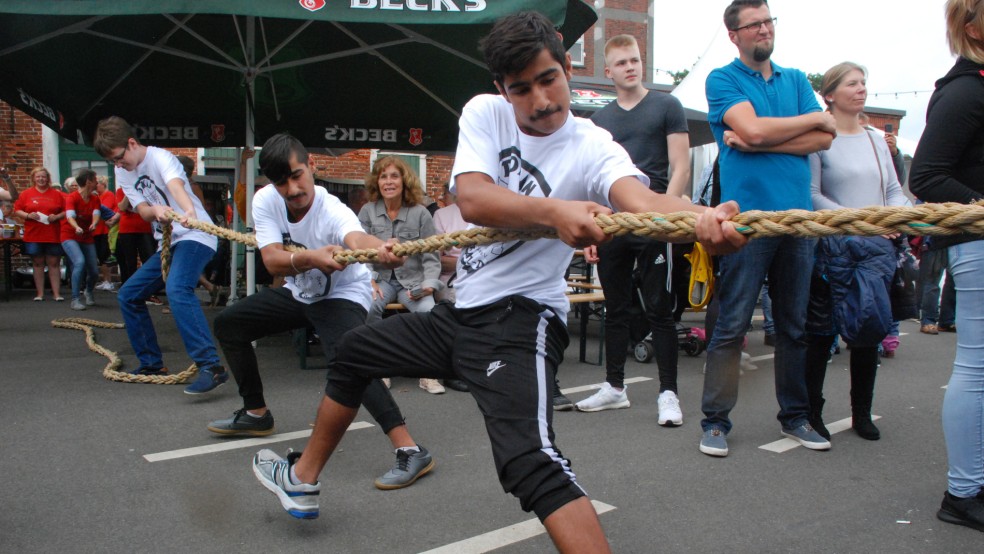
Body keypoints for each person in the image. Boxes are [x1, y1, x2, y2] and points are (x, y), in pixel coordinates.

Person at [250, 11, 745, 549]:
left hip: (522, 319)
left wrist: (696, 221)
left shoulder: (593, 145)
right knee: (353, 355)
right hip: (461, 315)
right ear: (501, 90)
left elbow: (643, 202)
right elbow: (474, 198)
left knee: (528, 464)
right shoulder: (486, 114)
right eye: (521, 88)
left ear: (567, 71)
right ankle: (301, 482)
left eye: (548, 79)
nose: (539, 100)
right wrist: (556, 213)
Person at [209, 133, 435, 493]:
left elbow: (357, 239)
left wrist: (383, 249)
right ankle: (256, 413)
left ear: (311, 166)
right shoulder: (266, 200)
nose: (293, 188)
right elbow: (271, 260)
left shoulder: (332, 209)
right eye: (282, 181)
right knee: (229, 324)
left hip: (344, 294)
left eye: (298, 175)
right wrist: (311, 258)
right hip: (301, 292)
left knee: (351, 360)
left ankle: (411, 448)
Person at [698, 0, 836, 457]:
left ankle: (795, 417)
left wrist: (758, 137)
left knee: (792, 327)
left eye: (768, 21)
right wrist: (803, 122)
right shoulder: (722, 79)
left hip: (797, 221)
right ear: (733, 34)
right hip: (747, 223)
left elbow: (824, 137)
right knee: (732, 325)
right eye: (753, 24)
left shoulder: (795, 79)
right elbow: (755, 133)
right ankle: (715, 422)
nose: (764, 29)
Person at [572, 34, 692, 426]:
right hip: (613, 224)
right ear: (609, 71)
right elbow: (591, 179)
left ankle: (668, 394)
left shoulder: (666, 105)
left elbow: (681, 166)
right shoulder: (599, 120)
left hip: (654, 219)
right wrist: (593, 232)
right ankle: (615, 388)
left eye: (635, 60)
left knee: (660, 309)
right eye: (622, 62)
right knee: (616, 307)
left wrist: (665, 215)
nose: (630, 67)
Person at [909, 0, 984, 533]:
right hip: (977, 243)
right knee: (977, 369)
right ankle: (963, 491)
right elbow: (928, 176)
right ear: (973, 24)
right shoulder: (965, 90)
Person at [803, 62, 908, 442]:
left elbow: (893, 189)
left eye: (863, 82)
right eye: (852, 83)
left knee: (868, 329)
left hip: (875, 249)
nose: (861, 89)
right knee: (820, 334)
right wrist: (856, 220)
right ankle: (812, 412)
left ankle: (860, 413)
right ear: (830, 94)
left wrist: (900, 217)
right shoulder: (819, 137)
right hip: (833, 249)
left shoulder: (876, 139)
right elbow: (813, 195)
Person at [93, 116, 227, 394]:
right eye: (114, 162)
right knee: (128, 294)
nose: (118, 165)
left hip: (196, 236)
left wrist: (188, 211)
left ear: (131, 143)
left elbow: (176, 186)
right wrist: (155, 212)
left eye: (120, 158)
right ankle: (152, 363)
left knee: (178, 289)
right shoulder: (122, 171)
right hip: (169, 242)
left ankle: (211, 367)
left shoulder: (161, 158)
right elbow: (141, 209)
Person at [358, 155, 445, 395]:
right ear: (377, 182)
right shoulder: (367, 212)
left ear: (404, 181)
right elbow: (358, 253)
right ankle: (379, 369)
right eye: (383, 176)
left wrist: (429, 285)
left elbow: (431, 255)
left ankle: (429, 373)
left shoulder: (421, 213)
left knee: (429, 313)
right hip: (382, 280)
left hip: (413, 282)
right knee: (368, 306)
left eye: (394, 176)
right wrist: (369, 280)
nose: (388, 182)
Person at [430, 181, 470, 393]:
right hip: (449, 278)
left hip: (478, 277)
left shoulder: (483, 213)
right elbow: (438, 261)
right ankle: (454, 369)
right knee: (456, 305)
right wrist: (469, 262)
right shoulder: (442, 216)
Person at [12, 167, 65, 301]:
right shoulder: (26, 194)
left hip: (52, 233)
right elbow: (17, 210)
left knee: (54, 262)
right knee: (37, 262)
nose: (41, 179)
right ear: (33, 178)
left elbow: (67, 210)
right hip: (34, 233)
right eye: (38, 177)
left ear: (48, 178)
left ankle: (56, 293)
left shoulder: (57, 194)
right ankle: (39, 293)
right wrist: (28, 215)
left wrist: (57, 216)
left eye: (43, 176)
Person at [61, 168, 103, 311]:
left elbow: (96, 213)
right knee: (79, 262)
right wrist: (76, 227)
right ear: (88, 182)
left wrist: (94, 223)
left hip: (86, 237)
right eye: (95, 180)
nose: (97, 182)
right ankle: (75, 299)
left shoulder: (95, 198)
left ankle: (89, 291)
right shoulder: (72, 198)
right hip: (70, 235)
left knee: (94, 271)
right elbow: (70, 216)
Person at [114, 185, 156, 285]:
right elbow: (122, 207)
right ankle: (129, 285)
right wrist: (130, 191)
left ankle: (148, 287)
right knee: (129, 261)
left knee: (148, 258)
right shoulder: (121, 190)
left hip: (145, 228)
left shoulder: (145, 189)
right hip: (127, 229)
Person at [93, 176, 119, 292]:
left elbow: (104, 210)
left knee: (104, 256)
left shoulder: (108, 195)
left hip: (104, 231)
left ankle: (108, 281)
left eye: (97, 183)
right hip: (95, 230)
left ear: (103, 184)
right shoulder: (96, 196)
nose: (95, 185)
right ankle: (103, 281)